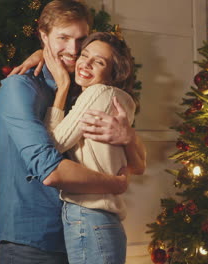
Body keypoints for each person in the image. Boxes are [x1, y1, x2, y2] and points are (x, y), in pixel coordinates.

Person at [0, 1, 145, 263]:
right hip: (31, 241)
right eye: (63, 38)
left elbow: (136, 161)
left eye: (81, 40)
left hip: (76, 233)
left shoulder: (85, 88)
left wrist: (129, 137)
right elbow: (51, 170)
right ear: (43, 35)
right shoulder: (19, 89)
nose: (74, 50)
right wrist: (115, 184)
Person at [41, 31, 139, 264]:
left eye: (99, 61)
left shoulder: (98, 93)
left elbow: (53, 145)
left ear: (112, 72)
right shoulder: (116, 99)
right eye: (85, 55)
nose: (86, 64)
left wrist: (62, 88)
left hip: (89, 214)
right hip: (102, 219)